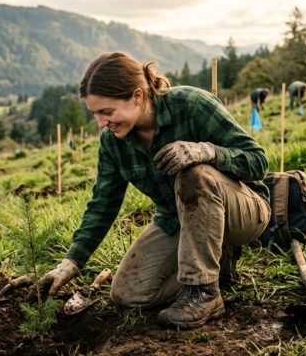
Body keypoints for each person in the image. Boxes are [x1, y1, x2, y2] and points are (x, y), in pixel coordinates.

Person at [39, 52, 270, 329]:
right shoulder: (112, 143)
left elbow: (258, 161)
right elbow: (102, 204)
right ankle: (215, 263)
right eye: (95, 114)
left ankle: (204, 293)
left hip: (243, 212)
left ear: (137, 96)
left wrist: (206, 151)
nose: (101, 123)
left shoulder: (192, 104)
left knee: (194, 174)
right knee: (128, 295)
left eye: (107, 112)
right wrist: (72, 262)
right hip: (179, 221)